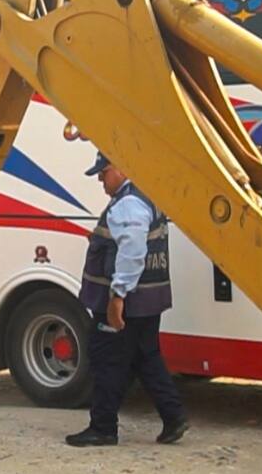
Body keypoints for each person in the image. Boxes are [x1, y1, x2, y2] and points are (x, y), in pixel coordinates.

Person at [66, 152, 188, 447]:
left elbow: (133, 251)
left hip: (128, 302)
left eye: (103, 172)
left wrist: (117, 295)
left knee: (107, 360)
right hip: (149, 300)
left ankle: (103, 427)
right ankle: (174, 417)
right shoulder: (146, 197)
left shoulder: (128, 204)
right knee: (146, 358)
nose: (100, 179)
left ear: (120, 168)